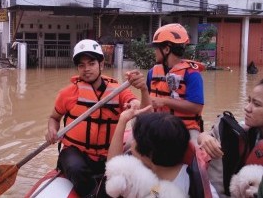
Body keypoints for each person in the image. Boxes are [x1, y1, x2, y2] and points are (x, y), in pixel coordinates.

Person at [45, 39, 151, 197]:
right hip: (76, 152)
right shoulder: (68, 93)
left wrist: (143, 90)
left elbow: (143, 111)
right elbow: (54, 117)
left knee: (135, 170)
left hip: (108, 154)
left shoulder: (118, 91)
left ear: (101, 65)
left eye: (91, 63)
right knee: (75, 168)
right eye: (81, 65)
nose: (86, 69)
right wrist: (52, 130)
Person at [107, 109, 217, 197]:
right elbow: (112, 165)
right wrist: (122, 120)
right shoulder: (144, 166)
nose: (131, 141)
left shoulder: (195, 184)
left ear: (148, 153)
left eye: (135, 139)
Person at [198, 79, 263, 197]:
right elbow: (203, 136)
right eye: (249, 101)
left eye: (257, 104)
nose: (247, 108)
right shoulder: (248, 130)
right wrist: (204, 137)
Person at [147, 23, 205, 143]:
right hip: (158, 125)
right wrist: (141, 90)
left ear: (167, 49)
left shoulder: (192, 74)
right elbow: (148, 101)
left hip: (186, 128)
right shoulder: (152, 73)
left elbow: (196, 107)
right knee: (131, 146)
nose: (154, 52)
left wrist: (165, 101)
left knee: (195, 152)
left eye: (156, 48)